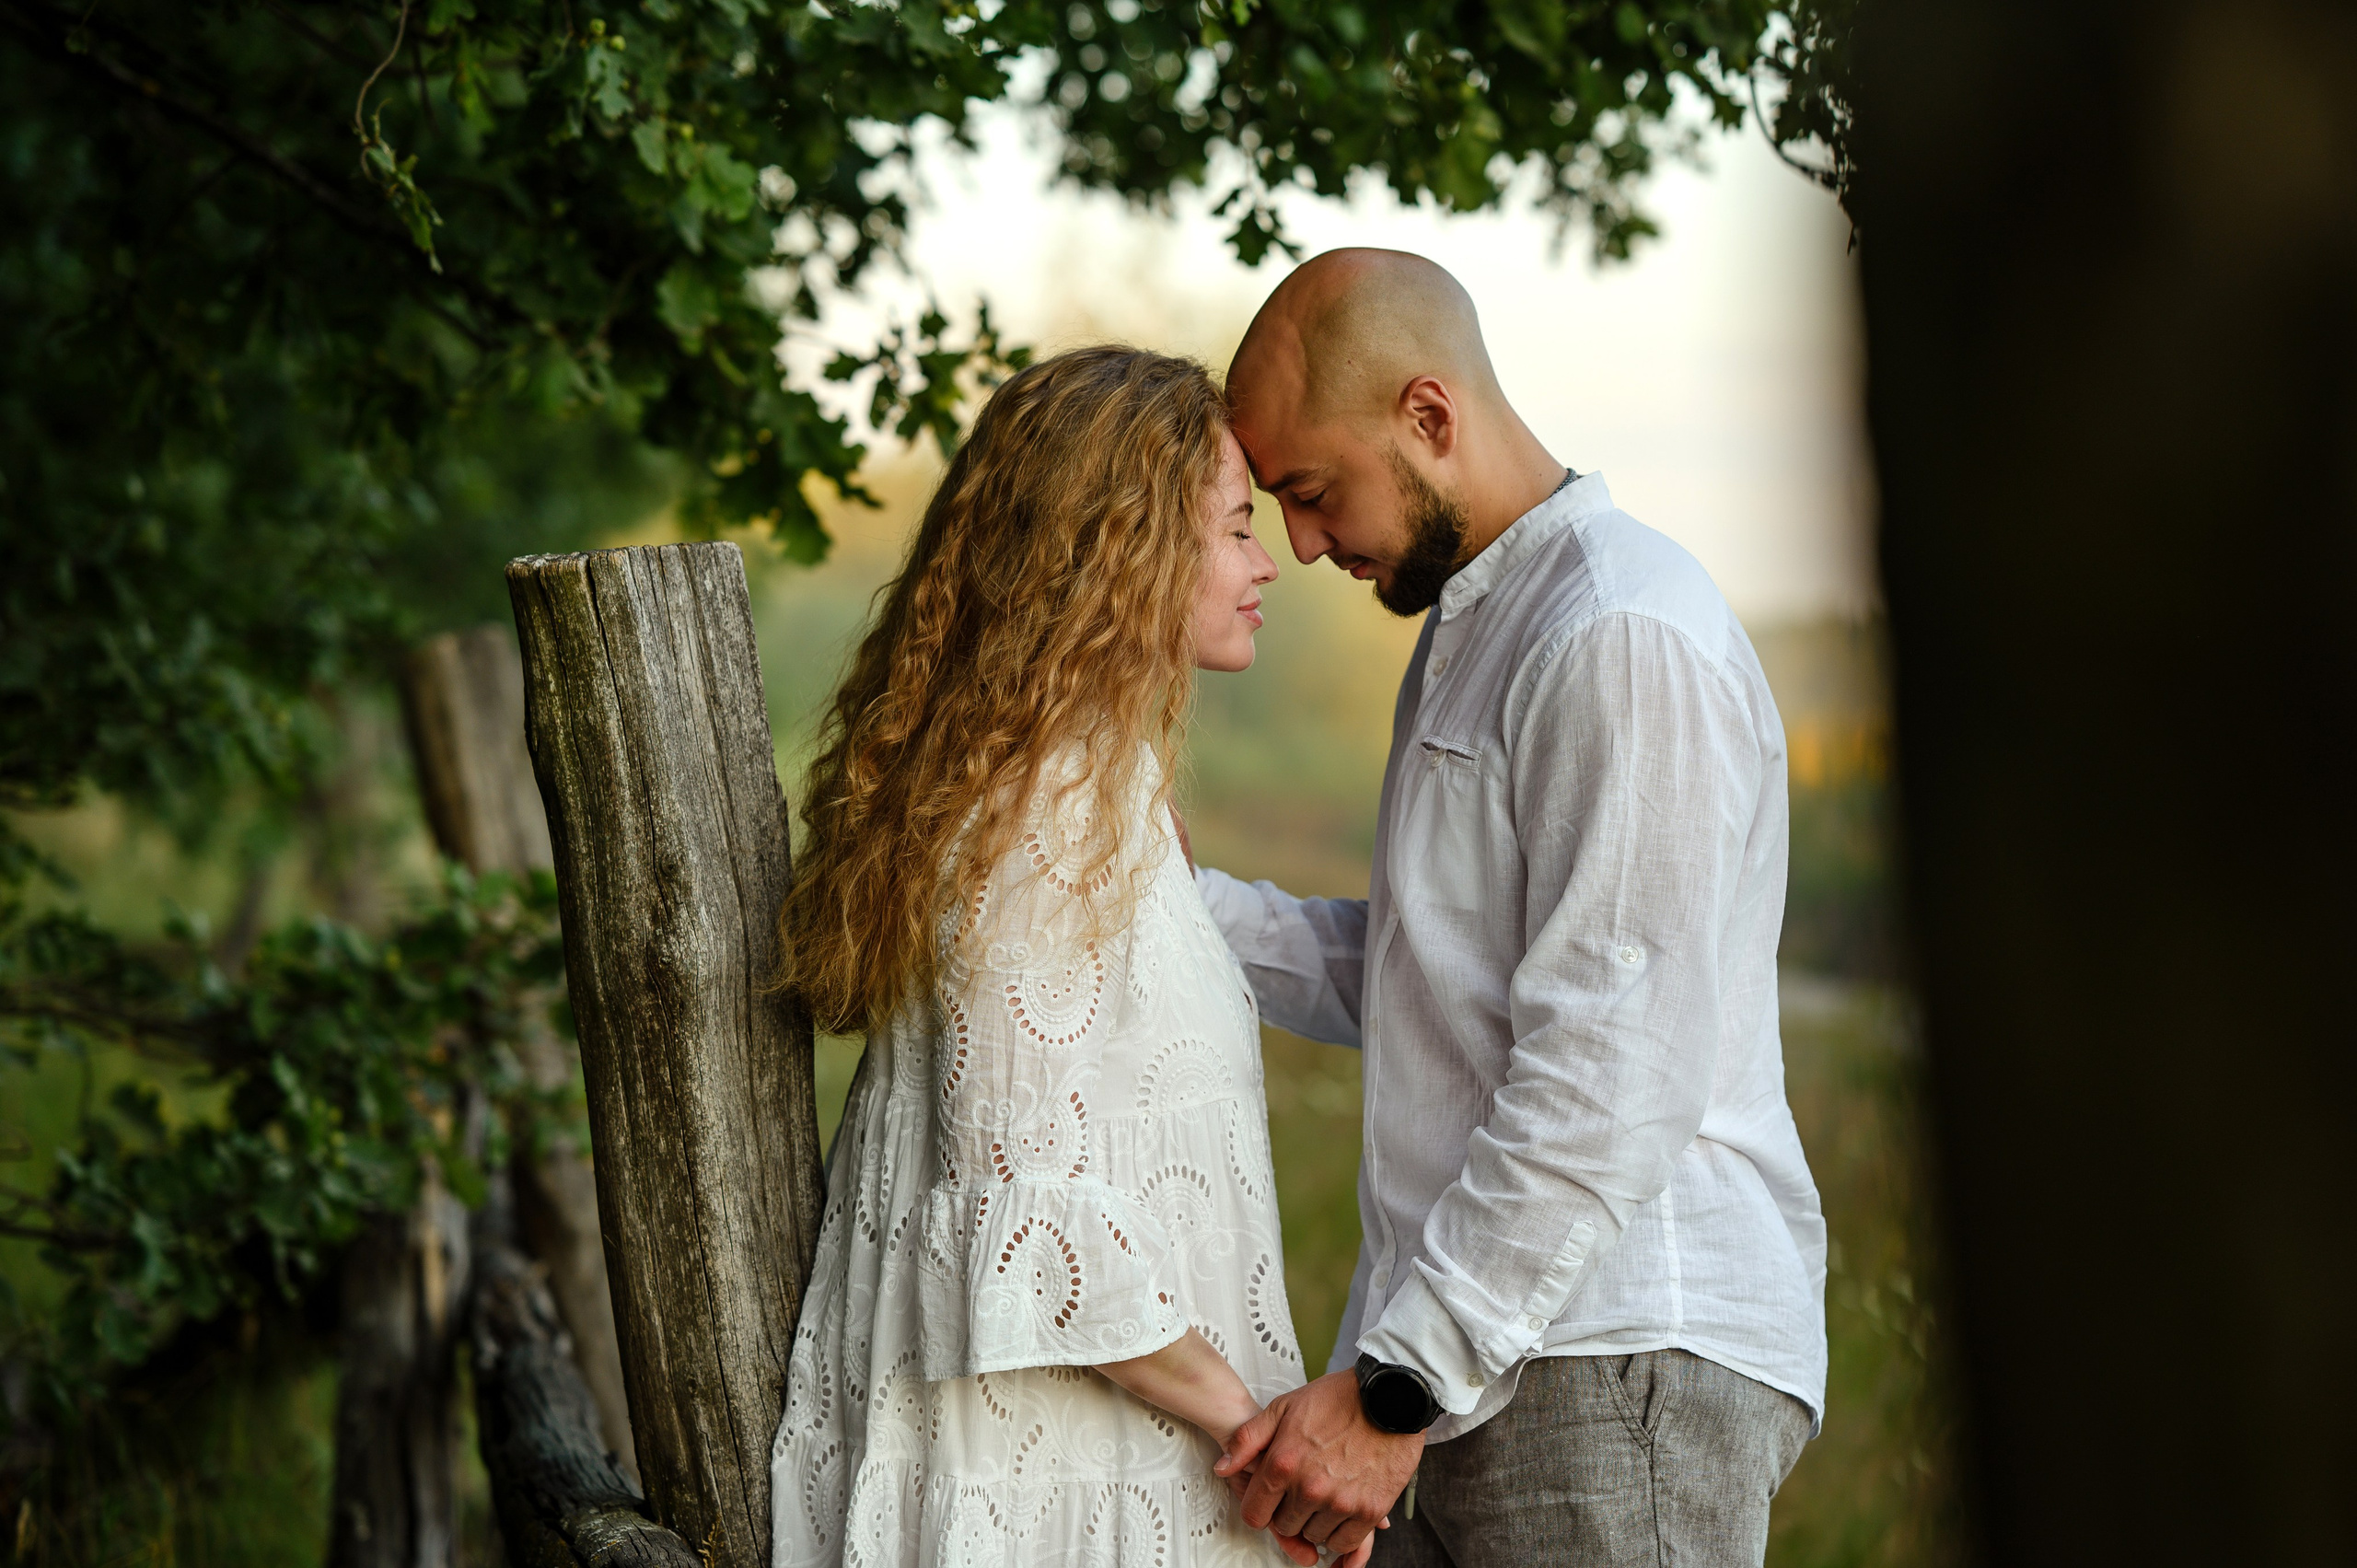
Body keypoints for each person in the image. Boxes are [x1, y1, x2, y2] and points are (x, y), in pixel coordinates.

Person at [1198, 250, 1829, 1568]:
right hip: (1509, 1354)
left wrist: (1397, 1388)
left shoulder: (1615, 633)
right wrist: (1151, 905)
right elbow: (1431, 974)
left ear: (1429, 417)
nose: (1302, 544)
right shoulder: (1478, 628)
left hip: (1618, 1362)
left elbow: (1613, 1067)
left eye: (1310, 493)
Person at [769, 345, 1353, 1568]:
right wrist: (1267, 1447)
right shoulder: (1054, 806)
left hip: (1074, 1474)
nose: (1264, 566)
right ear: (1125, 549)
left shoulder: (1072, 787)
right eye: (1237, 528)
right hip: (1059, 1495)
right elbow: (1029, 1227)